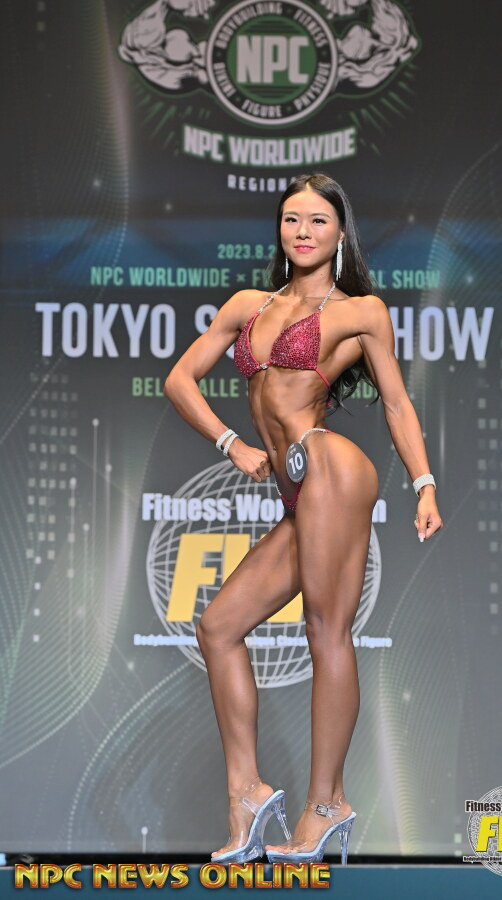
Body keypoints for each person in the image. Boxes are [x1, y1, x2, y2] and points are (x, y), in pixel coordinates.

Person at [164, 173, 443, 865]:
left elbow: (397, 403)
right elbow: (179, 379)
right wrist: (231, 444)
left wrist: (424, 485)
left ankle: (327, 802)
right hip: (297, 491)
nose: (303, 232)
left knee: (326, 629)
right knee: (218, 626)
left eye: (318, 220)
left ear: (339, 232)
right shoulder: (248, 306)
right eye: (292, 219)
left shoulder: (360, 312)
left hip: (331, 467)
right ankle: (247, 794)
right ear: (280, 229)